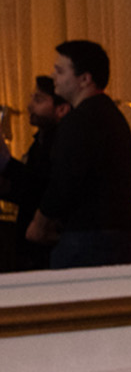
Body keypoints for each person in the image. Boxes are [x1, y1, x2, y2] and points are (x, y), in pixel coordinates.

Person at [32, 40, 131, 267]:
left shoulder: (79, 120)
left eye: (60, 71)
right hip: (121, 235)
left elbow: (64, 180)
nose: (54, 77)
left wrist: (39, 223)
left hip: (89, 238)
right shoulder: (112, 115)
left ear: (85, 79)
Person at [0, 75, 68, 271]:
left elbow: (40, 186)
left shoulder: (58, 143)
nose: (29, 106)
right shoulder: (40, 141)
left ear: (61, 109)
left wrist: (5, 162)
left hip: (46, 249)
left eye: (38, 100)